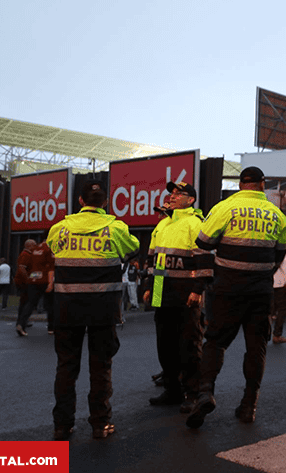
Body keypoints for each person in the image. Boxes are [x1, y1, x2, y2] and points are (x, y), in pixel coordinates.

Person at [186, 166, 286, 429]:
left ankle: (205, 392)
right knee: (257, 347)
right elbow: (279, 253)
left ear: (241, 185)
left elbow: (203, 242)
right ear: (262, 185)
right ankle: (249, 405)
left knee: (215, 342)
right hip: (260, 291)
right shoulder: (277, 214)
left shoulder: (225, 208)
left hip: (227, 289)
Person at [46, 179, 139, 440]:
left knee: (66, 367)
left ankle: (62, 426)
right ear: (106, 202)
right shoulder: (115, 227)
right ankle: (100, 423)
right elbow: (133, 249)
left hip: (66, 307)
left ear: (80, 202)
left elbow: (52, 250)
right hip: (103, 309)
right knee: (101, 367)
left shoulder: (60, 228)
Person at [142, 181, 207, 411]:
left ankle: (193, 394)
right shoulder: (163, 225)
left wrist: (197, 290)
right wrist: (150, 287)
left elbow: (204, 261)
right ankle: (172, 390)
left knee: (189, 344)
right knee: (165, 344)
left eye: (179, 193)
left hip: (186, 293)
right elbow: (153, 260)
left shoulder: (195, 223)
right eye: (172, 192)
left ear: (190, 200)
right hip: (161, 290)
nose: (172, 195)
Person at [16, 239, 55, 336]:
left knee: (30, 303)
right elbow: (51, 267)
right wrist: (51, 283)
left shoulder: (34, 250)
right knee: (50, 305)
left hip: (33, 279)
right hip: (44, 279)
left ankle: (21, 324)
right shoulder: (49, 249)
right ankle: (51, 327)